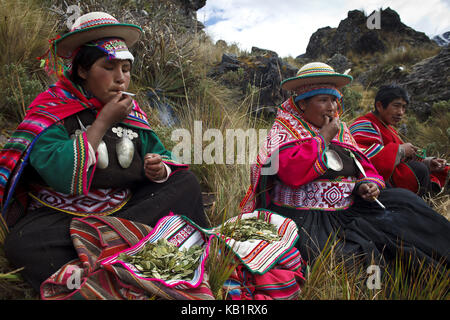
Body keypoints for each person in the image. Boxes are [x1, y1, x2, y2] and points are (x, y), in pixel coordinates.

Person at [0, 12, 207, 292]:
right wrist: (102, 122)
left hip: (125, 212)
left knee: (186, 183)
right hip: (62, 217)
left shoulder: (132, 113)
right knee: (24, 244)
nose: (121, 79)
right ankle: (137, 252)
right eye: (109, 67)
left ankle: (102, 258)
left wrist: (159, 169)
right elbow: (55, 170)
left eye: (126, 68)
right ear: (83, 70)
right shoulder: (53, 108)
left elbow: (161, 153)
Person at [240, 62, 450, 270]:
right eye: (323, 100)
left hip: (349, 209)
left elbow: (364, 165)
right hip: (308, 218)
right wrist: (322, 138)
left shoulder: (341, 132)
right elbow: (291, 173)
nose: (331, 106)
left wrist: (366, 184)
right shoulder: (283, 133)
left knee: (408, 208)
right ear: (302, 104)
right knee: (358, 257)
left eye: (334, 99)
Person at [349, 84, 449, 196]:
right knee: (419, 169)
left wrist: (428, 162)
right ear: (379, 106)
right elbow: (362, 157)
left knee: (442, 168)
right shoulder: (363, 124)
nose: (401, 112)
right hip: (372, 186)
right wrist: (400, 150)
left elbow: (403, 158)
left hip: (390, 179)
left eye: (403, 107)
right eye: (396, 106)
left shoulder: (389, 128)